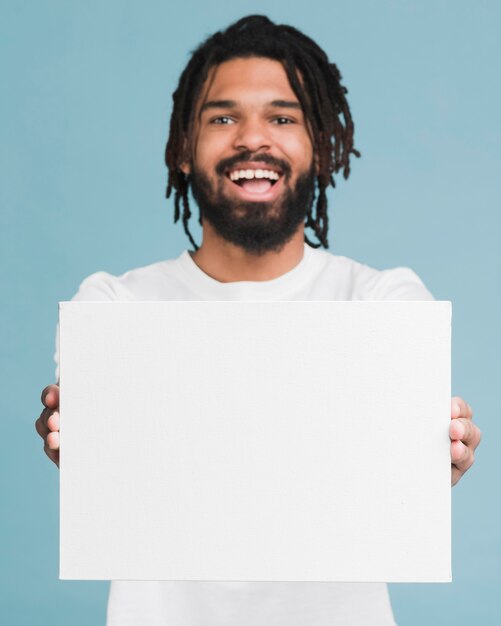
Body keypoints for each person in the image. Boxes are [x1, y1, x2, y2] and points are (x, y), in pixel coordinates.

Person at [35, 14, 481, 626]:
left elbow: (396, 476)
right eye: (222, 118)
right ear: (183, 150)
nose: (252, 139)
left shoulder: (385, 301)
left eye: (282, 117)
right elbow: (108, 465)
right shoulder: (112, 307)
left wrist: (425, 465)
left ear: (319, 147)